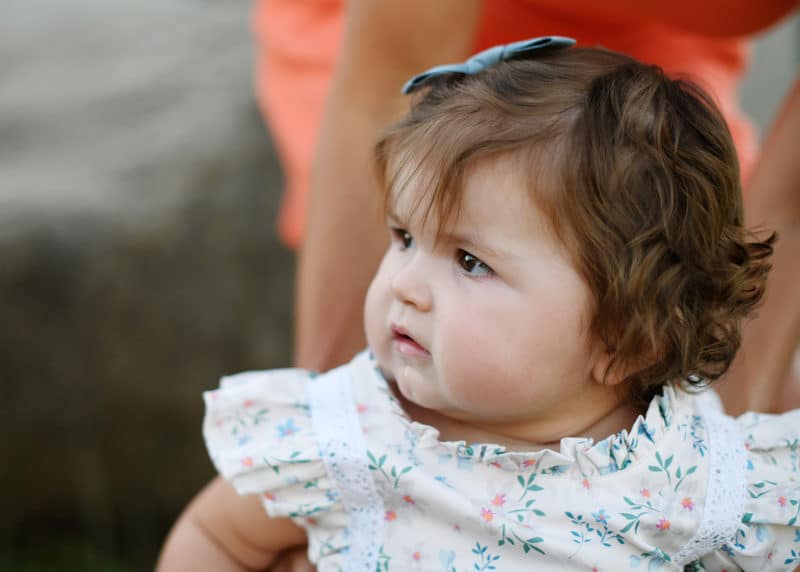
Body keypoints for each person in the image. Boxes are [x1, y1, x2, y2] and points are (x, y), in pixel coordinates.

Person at [158, 41, 800, 570]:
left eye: (471, 262)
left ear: (624, 340)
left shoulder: (692, 474)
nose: (404, 284)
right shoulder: (345, 437)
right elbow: (219, 539)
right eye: (404, 238)